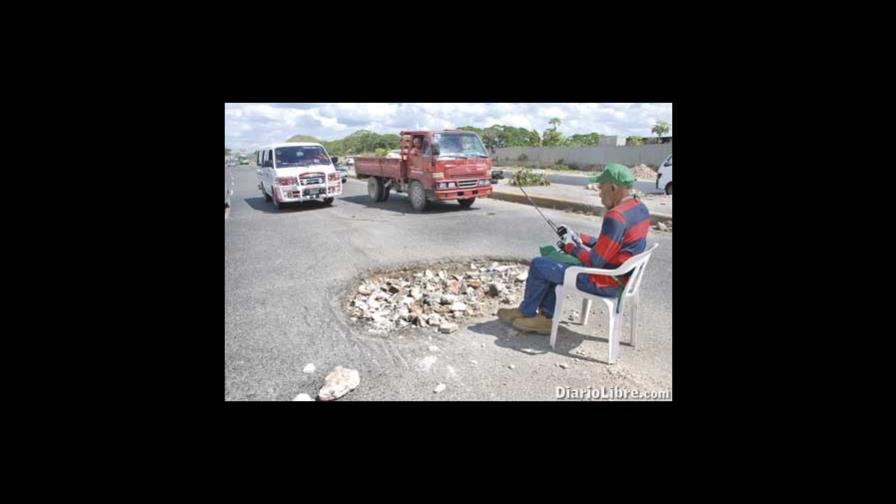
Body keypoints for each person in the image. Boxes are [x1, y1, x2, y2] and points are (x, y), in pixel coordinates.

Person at [496, 164, 651, 334]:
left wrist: (570, 247)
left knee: (539, 265)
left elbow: (595, 262)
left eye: (601, 189)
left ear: (613, 188)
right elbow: (610, 244)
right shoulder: (639, 207)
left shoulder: (615, 217)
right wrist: (578, 236)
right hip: (621, 278)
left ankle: (530, 313)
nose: (599, 194)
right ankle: (544, 316)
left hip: (605, 282)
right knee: (552, 264)